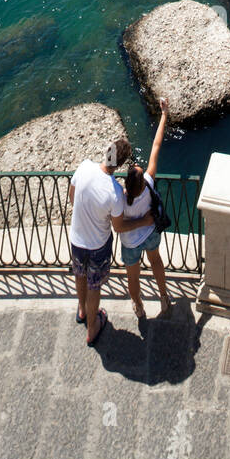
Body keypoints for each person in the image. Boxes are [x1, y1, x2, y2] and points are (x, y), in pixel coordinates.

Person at [67, 136, 147, 346]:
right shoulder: (116, 193)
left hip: (76, 237)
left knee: (79, 274)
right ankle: (93, 327)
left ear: (107, 151)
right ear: (120, 164)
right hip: (98, 246)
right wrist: (142, 221)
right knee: (94, 286)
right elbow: (119, 227)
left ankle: (82, 310)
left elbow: (72, 196)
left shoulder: (84, 167)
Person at [118, 97, 172, 318]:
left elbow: (118, 225)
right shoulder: (148, 182)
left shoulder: (119, 197)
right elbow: (156, 146)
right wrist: (164, 115)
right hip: (150, 233)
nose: (138, 165)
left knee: (133, 276)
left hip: (130, 242)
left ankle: (138, 305)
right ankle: (163, 297)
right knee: (156, 261)